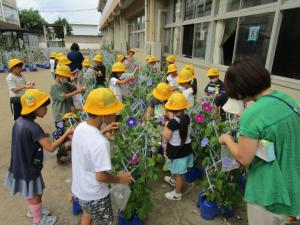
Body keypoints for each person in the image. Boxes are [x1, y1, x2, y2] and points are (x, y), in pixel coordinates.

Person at [218, 58, 300, 225]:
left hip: (269, 191)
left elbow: (243, 158)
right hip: (293, 183)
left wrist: (226, 139)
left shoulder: (252, 114)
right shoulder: (287, 100)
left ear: (241, 91)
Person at [4, 89, 73, 225]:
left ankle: (33, 210)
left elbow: (27, 139)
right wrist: (66, 134)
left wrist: (42, 136)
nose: (46, 109)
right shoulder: (34, 128)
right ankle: (38, 220)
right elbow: (51, 148)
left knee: (29, 190)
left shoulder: (19, 122)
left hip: (19, 164)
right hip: (30, 168)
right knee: (37, 193)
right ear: (34, 108)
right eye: (43, 106)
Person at [71, 88, 132, 225]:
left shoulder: (80, 127)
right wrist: (119, 179)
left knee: (88, 213)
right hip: (95, 196)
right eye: (114, 111)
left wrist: (103, 130)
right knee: (107, 222)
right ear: (103, 115)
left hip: (80, 189)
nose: (116, 114)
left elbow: (89, 144)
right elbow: (100, 176)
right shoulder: (101, 143)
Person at [162, 92, 193, 200]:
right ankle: (173, 180)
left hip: (176, 151)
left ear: (171, 110)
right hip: (186, 148)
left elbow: (166, 136)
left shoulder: (173, 123)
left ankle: (177, 194)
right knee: (178, 170)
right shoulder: (187, 117)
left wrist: (167, 123)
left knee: (179, 173)